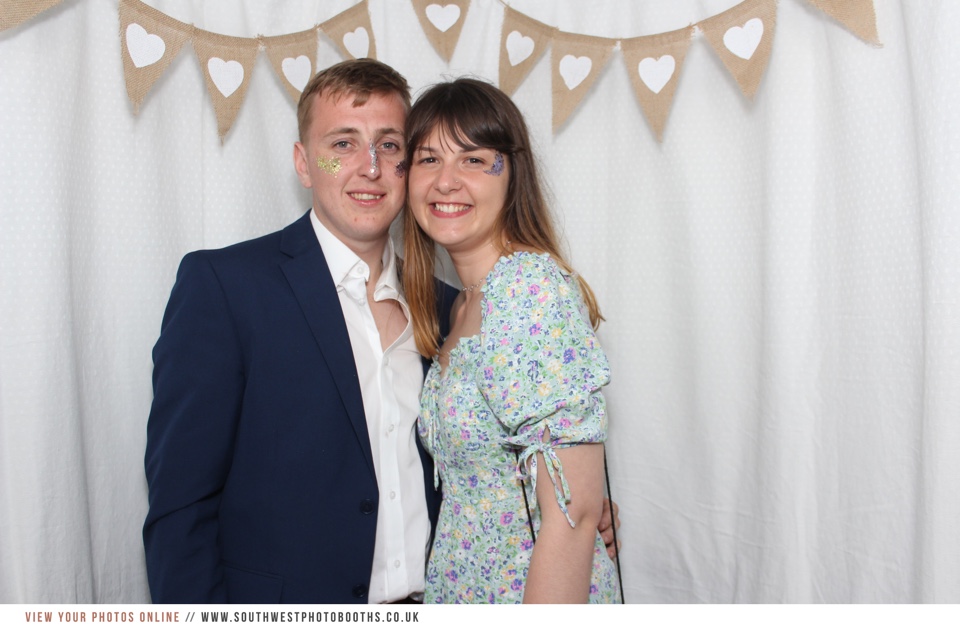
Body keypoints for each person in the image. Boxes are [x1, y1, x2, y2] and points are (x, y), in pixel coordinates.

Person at [143, 59, 618, 604]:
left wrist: (575, 512)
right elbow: (181, 508)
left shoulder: (452, 310)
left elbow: (530, 477)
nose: (369, 167)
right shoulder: (226, 288)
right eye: (342, 144)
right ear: (304, 163)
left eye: (390, 146)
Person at [403, 78, 620, 603]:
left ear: (510, 174)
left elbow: (575, 512)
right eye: (428, 159)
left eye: (474, 160)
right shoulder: (458, 305)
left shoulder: (527, 288)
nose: (446, 182)